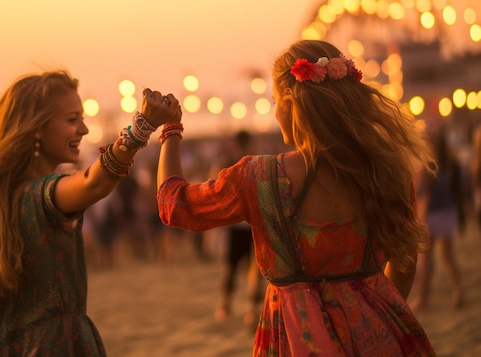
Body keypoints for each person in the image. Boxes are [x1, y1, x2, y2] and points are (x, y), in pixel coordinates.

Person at [156, 40, 436, 356]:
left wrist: (171, 130)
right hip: (379, 333)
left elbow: (174, 206)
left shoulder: (258, 177)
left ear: (292, 104)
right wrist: (371, 308)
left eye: (276, 100)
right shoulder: (385, 169)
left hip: (296, 338)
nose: (275, 110)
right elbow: (405, 260)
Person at [0, 70, 178, 356]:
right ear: (36, 128)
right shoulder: (40, 196)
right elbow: (94, 182)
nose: (84, 130)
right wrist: (140, 128)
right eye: (72, 120)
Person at [211, 130, 264, 329]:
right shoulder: (246, 162)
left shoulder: (238, 162)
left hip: (245, 224)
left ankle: (237, 306)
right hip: (243, 224)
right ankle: (234, 305)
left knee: (247, 267)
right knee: (236, 266)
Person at [411, 123, 464, 311]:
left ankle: (424, 299)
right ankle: (458, 290)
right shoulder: (448, 164)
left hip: (432, 215)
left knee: (426, 261)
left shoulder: (428, 168)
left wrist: (420, 221)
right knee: (448, 257)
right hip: (448, 212)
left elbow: (425, 197)